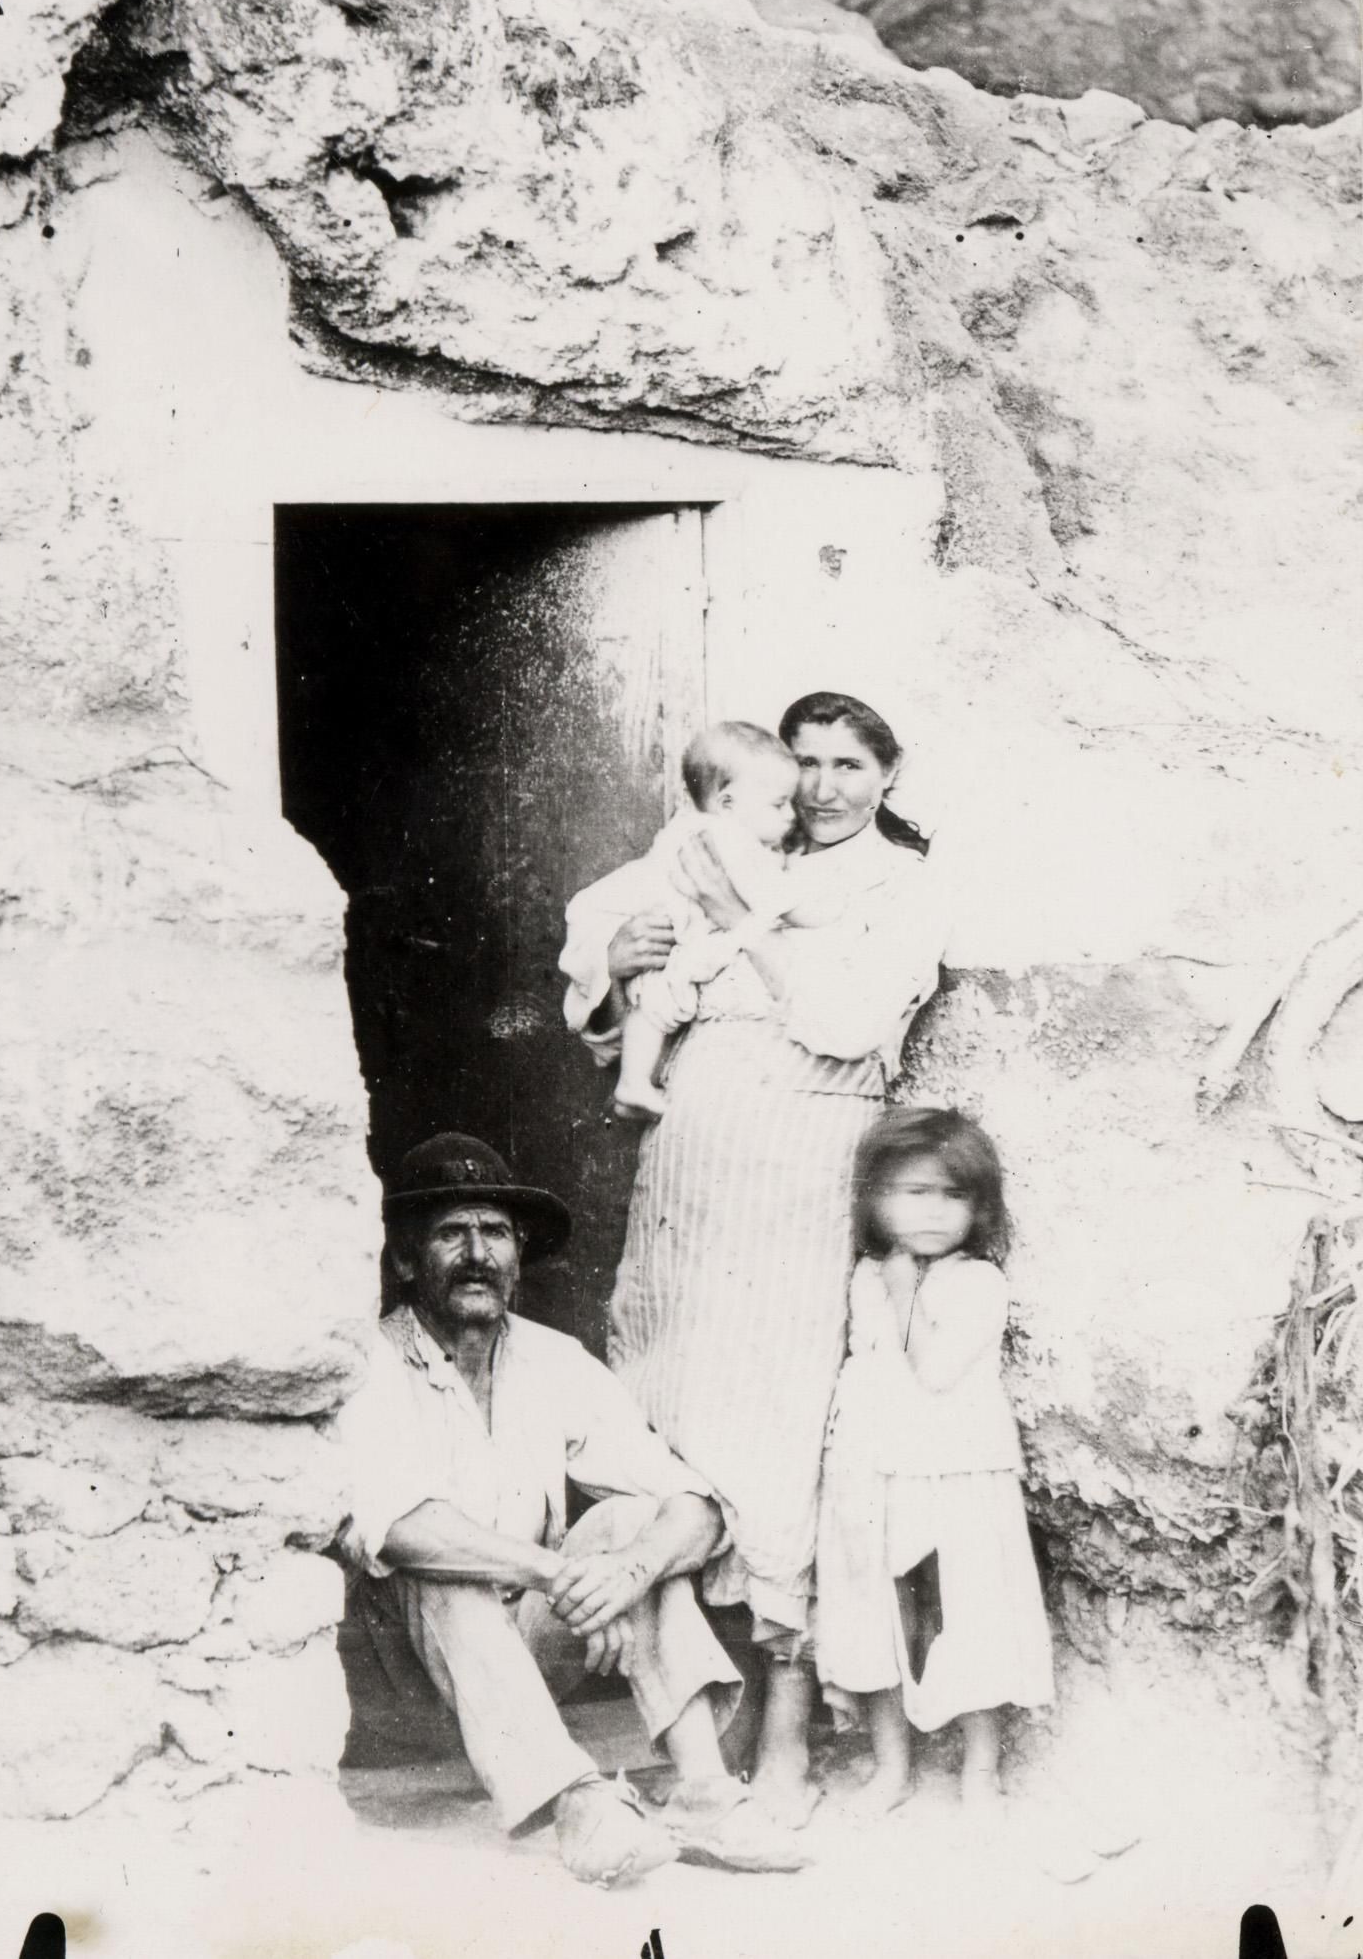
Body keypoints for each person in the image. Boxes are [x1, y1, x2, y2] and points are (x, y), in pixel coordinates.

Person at [559, 689, 948, 1828]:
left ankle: (785, 1723)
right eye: (806, 764)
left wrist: (753, 917)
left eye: (847, 765)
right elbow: (617, 969)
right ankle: (696, 1711)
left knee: (777, 1427)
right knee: (668, 1411)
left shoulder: (903, 887)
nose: (823, 788)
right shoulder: (728, 844)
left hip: (803, 1152)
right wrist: (613, 970)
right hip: (693, 1151)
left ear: (888, 771)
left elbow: (844, 1020)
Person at [333, 1132, 810, 1886]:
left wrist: (627, 1571)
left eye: (494, 1233)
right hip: (400, 1688)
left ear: (518, 1259)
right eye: (451, 1233)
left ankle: (703, 1794)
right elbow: (396, 1527)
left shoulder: (551, 1359)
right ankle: (579, 1802)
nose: (477, 1254)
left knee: (631, 1523)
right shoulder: (370, 1362)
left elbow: (694, 1504)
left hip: (520, 1665)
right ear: (402, 1260)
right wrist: (559, 1573)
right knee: (441, 1561)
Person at [815, 1108, 1054, 1814]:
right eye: (912, 1193)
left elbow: (933, 1369)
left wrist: (901, 1291)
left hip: (955, 1476)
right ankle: (891, 1765)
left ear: (979, 1209)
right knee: (877, 1617)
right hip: (871, 1474)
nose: (932, 1212)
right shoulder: (864, 1273)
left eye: (952, 1195)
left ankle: (981, 1768)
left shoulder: (977, 1283)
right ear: (874, 1198)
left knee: (968, 1614)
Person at [587, 722, 805, 1122]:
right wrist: (809, 908)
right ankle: (633, 1085)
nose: (792, 814)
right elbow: (770, 895)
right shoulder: (727, 836)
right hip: (679, 948)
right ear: (726, 803)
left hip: (677, 951)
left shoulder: (691, 827)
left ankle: (633, 1085)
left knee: (653, 1012)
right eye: (780, 805)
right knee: (660, 1009)